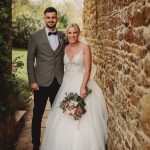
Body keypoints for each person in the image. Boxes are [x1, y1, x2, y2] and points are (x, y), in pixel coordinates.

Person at [41, 23, 108, 150]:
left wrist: (83, 87)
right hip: (66, 84)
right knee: (63, 115)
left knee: (82, 117)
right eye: (70, 33)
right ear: (67, 34)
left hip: (80, 82)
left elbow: (88, 68)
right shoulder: (64, 48)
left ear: (79, 33)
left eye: (75, 32)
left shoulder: (85, 47)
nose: (72, 35)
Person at [27, 7, 66, 150]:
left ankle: (57, 142)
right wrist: (32, 80)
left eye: (53, 17)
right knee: (38, 114)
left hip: (59, 82)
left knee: (59, 114)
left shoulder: (63, 36)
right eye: (48, 17)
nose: (51, 20)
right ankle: (36, 144)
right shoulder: (35, 37)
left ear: (57, 18)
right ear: (44, 18)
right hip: (41, 82)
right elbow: (30, 59)